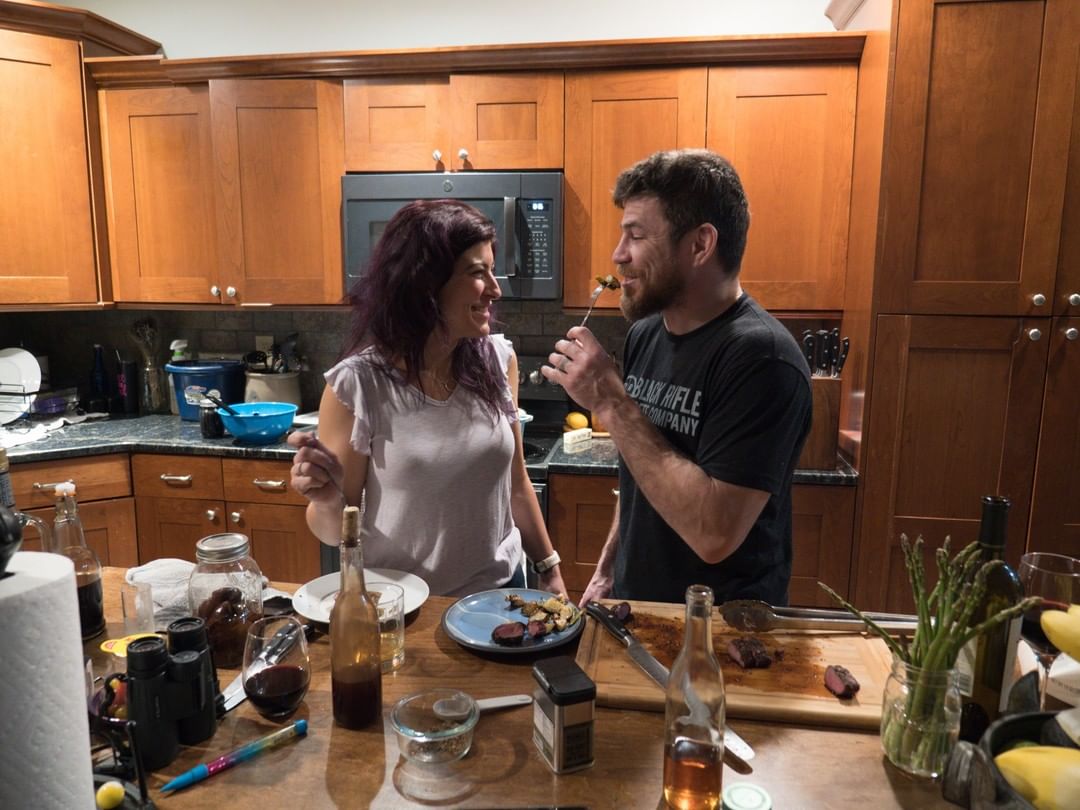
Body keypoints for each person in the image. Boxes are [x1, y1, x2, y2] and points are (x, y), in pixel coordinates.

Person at [544, 149, 811, 606]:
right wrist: (609, 567)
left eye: (636, 236)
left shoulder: (762, 359)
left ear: (700, 245)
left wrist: (610, 401)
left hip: (723, 632)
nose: (618, 255)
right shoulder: (646, 334)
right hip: (638, 608)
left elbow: (714, 534)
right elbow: (641, 468)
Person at [289, 200, 566, 598]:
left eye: (492, 269)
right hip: (406, 605)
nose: (495, 289)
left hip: (501, 593)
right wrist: (328, 501)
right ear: (425, 285)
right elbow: (334, 532)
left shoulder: (497, 361)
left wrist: (548, 567)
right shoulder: (358, 385)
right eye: (477, 272)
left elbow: (516, 482)